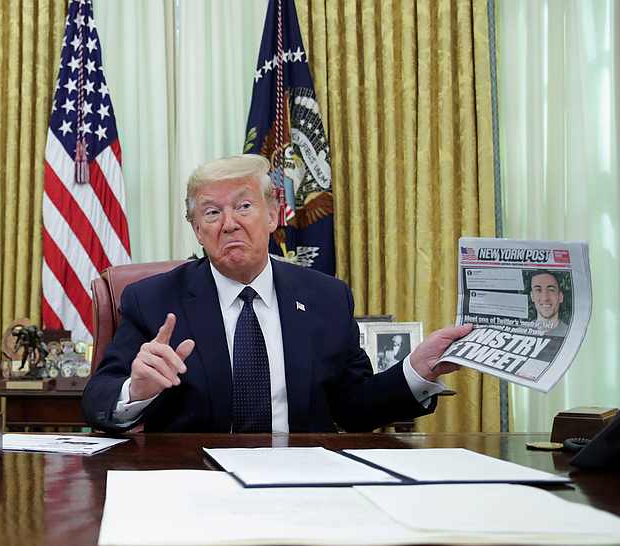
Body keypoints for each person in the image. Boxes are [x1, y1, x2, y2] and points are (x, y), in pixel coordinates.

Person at [82, 154, 470, 433]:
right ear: (197, 230)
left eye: (244, 206)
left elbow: (355, 409)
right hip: (195, 483)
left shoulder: (326, 298)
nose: (229, 223)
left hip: (301, 483)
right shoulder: (152, 300)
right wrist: (135, 391)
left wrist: (415, 372)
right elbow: (97, 400)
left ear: (272, 215)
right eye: (212, 213)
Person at [528, 270, 569, 337]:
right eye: (538, 290)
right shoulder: (522, 330)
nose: (545, 298)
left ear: (560, 297)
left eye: (551, 290)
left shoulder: (569, 332)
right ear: (532, 296)